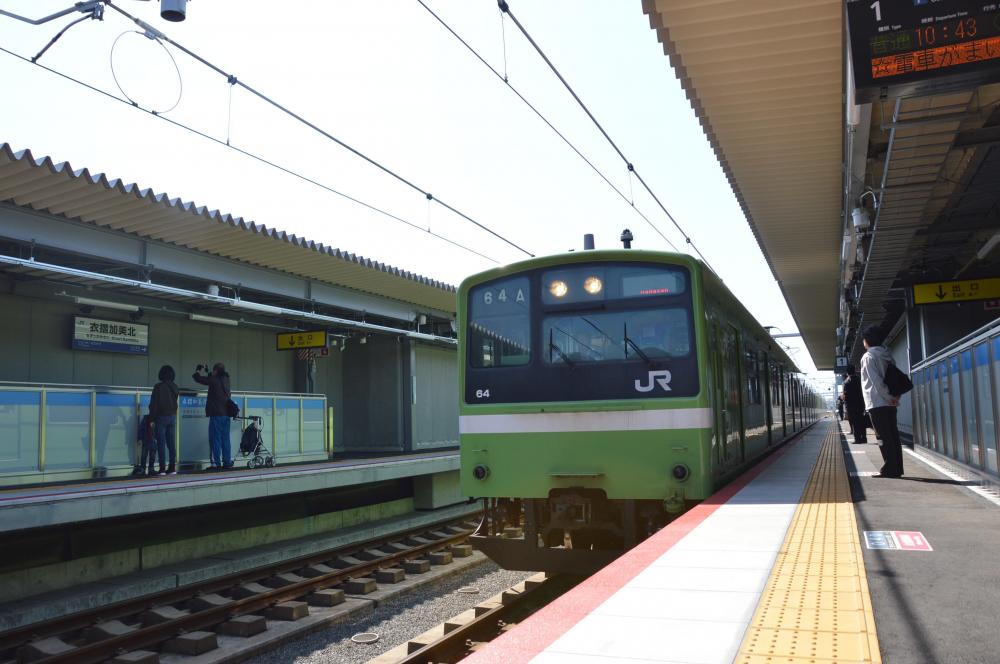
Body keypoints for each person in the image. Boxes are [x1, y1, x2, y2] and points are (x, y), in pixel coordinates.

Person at [860, 325, 904, 478]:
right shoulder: (887, 354)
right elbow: (895, 378)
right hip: (890, 403)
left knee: (882, 437)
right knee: (893, 435)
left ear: (867, 341)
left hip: (877, 403)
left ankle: (889, 468)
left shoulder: (868, 357)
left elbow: (876, 382)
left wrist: (887, 397)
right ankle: (897, 467)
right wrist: (895, 397)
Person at [193, 362, 233, 470]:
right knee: (225, 439)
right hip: (226, 414)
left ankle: (216, 463)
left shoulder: (214, 380)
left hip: (216, 415)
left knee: (215, 439)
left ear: (215, 371)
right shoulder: (226, 380)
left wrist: (198, 371)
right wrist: (208, 372)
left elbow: (200, 379)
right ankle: (227, 462)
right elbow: (213, 380)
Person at [150, 365, 179, 475]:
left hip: (161, 417)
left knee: (161, 443)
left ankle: (162, 468)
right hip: (172, 417)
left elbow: (154, 405)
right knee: (171, 443)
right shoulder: (175, 387)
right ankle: (172, 468)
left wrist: (152, 419)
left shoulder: (158, 387)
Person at [842, 366, 866, 444]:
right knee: (862, 421)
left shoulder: (847, 382)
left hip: (851, 406)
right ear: (855, 371)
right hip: (861, 404)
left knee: (855, 423)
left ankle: (857, 439)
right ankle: (864, 438)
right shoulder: (860, 379)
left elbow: (845, 395)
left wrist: (843, 398)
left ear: (847, 373)